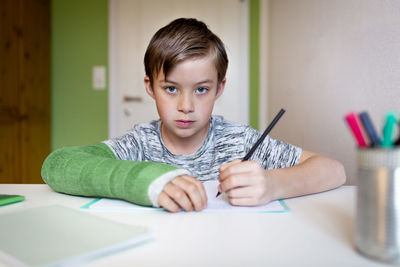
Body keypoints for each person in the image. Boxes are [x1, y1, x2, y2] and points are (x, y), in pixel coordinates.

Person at [42, 18, 346, 213]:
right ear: (150, 87)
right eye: (171, 89)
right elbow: (57, 165)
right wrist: (148, 179)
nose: (186, 105)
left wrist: (273, 184)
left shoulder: (238, 140)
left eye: (201, 90)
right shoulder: (140, 144)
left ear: (219, 88)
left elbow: (334, 171)